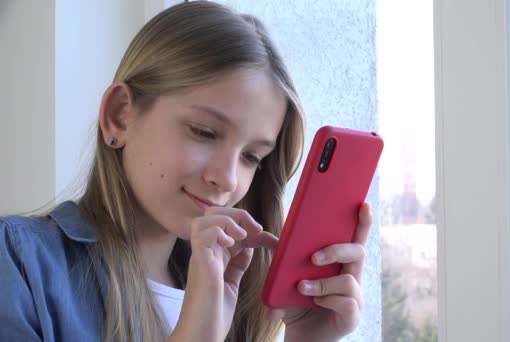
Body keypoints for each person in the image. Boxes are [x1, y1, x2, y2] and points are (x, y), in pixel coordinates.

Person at [0, 2, 372, 341]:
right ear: (118, 116)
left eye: (252, 157)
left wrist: (306, 338)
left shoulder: (234, 301)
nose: (227, 179)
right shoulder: (18, 266)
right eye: (204, 132)